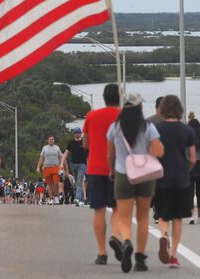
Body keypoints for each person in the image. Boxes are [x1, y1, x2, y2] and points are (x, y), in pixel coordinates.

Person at [107, 92, 165, 272]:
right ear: (140, 107)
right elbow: (158, 152)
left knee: (124, 217)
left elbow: (110, 154)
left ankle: (126, 241)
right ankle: (140, 257)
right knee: (142, 218)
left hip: (123, 173)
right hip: (145, 176)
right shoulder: (148, 127)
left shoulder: (115, 128)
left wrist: (112, 171)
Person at [154, 95, 196, 269]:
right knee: (177, 218)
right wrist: (185, 171)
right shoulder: (187, 130)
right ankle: (173, 255)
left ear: (162, 109)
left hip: (161, 179)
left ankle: (164, 235)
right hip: (181, 179)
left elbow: (152, 154)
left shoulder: (156, 129)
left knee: (163, 215)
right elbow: (193, 158)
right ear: (179, 109)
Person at [83, 83, 123, 266]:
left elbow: (85, 144)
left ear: (104, 97)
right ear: (119, 96)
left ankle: (102, 253)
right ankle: (115, 235)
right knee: (117, 208)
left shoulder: (91, 116)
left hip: (95, 168)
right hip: (117, 168)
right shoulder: (123, 117)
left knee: (98, 210)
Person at [60, 127, 88, 207]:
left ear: (81, 133)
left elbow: (89, 153)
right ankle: (82, 200)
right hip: (73, 164)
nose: (77, 134)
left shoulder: (84, 142)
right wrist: (61, 163)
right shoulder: (71, 142)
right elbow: (66, 153)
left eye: (78, 132)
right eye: (75, 132)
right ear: (74, 134)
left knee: (79, 181)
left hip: (82, 164)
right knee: (77, 182)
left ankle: (77, 198)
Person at [36, 135, 62, 205]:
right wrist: (38, 166)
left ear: (54, 140)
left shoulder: (57, 148)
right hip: (47, 168)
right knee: (50, 184)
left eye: (52, 139)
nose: (51, 140)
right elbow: (41, 157)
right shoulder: (45, 148)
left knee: (56, 183)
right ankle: (51, 198)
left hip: (55, 167)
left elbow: (60, 157)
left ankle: (56, 196)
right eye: (50, 139)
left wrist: (61, 165)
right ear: (48, 141)